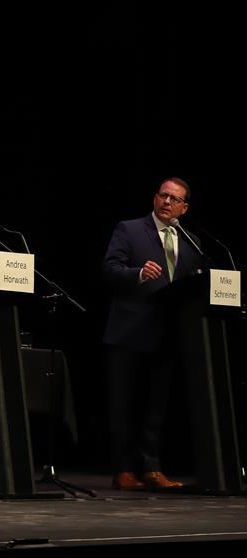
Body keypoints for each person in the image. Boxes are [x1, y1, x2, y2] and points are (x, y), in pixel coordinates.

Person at [102, 177, 202, 490]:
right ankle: (124, 470)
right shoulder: (129, 229)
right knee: (124, 403)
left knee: (155, 407)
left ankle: (151, 468)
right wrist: (139, 274)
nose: (167, 202)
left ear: (184, 208)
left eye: (175, 199)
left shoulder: (192, 242)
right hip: (130, 331)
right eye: (163, 196)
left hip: (168, 333)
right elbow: (110, 269)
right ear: (155, 198)